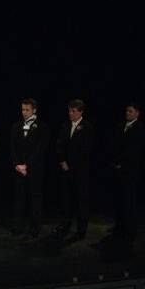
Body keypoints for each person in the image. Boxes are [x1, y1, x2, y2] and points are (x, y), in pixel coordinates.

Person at [9, 98, 50, 240]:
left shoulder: (42, 127)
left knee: (35, 199)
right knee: (19, 198)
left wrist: (27, 165)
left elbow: (40, 149)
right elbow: (12, 147)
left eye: (27, 110)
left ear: (34, 110)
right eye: (22, 109)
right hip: (19, 169)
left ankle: (35, 227)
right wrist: (17, 164)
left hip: (34, 169)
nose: (24, 112)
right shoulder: (16, 126)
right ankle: (18, 226)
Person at [54, 99, 94, 243]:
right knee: (66, 199)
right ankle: (65, 225)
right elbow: (59, 145)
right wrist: (63, 161)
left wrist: (72, 164)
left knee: (81, 200)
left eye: (74, 111)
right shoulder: (65, 126)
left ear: (81, 112)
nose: (71, 113)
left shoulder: (87, 127)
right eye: (69, 111)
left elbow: (86, 150)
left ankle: (81, 229)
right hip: (65, 169)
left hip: (80, 171)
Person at [108, 103, 145, 245]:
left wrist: (122, 162)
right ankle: (120, 226)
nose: (127, 113)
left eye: (130, 111)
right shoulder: (120, 126)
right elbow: (114, 145)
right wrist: (115, 162)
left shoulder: (139, 128)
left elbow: (134, 151)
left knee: (129, 201)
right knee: (118, 200)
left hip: (130, 171)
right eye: (126, 111)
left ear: (137, 113)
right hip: (118, 170)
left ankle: (130, 230)